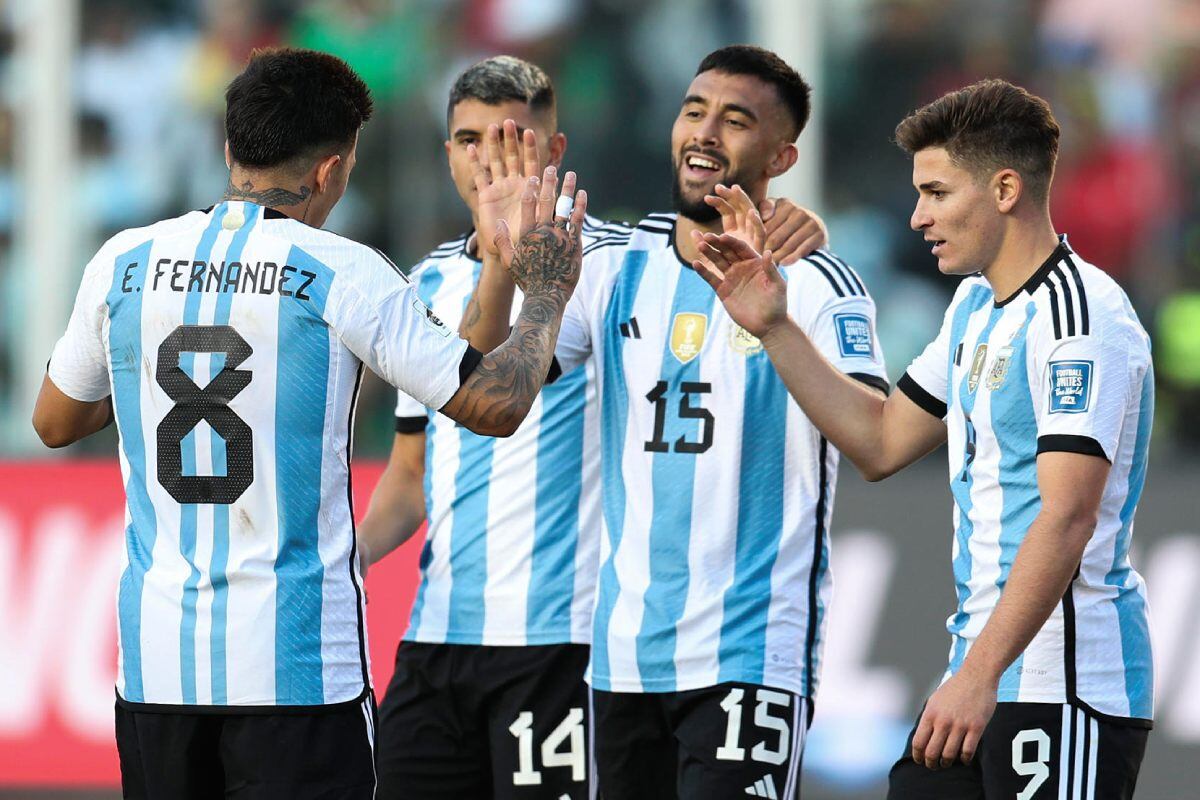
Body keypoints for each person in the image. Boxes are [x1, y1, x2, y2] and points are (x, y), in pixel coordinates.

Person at [31, 47, 587, 800]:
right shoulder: (346, 272)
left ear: (231, 150)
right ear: (332, 169)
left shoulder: (124, 261)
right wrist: (547, 291)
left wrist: (141, 380)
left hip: (156, 668)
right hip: (294, 670)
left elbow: (57, 421)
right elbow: (495, 404)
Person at [357, 55, 827, 799]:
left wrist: (784, 216)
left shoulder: (602, 265)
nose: (491, 160)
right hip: (437, 630)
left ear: (555, 151)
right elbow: (420, 461)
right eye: (470, 139)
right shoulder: (427, 280)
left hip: (564, 638)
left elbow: (694, 246)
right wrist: (344, 560)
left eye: (513, 140)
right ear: (446, 151)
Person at [693, 78, 1153, 799]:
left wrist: (979, 677)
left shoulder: (1081, 316)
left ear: (1004, 189)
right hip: (981, 674)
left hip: (1061, 684)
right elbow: (879, 442)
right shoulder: (974, 306)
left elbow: (1067, 517)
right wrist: (777, 328)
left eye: (936, 193)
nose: (916, 217)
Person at [462, 45, 887, 799]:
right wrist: (501, 262)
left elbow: (875, 445)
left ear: (783, 155)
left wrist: (777, 328)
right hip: (622, 659)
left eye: (735, 120)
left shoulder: (817, 283)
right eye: (694, 111)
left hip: (748, 652)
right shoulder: (615, 265)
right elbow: (493, 396)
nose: (705, 132)